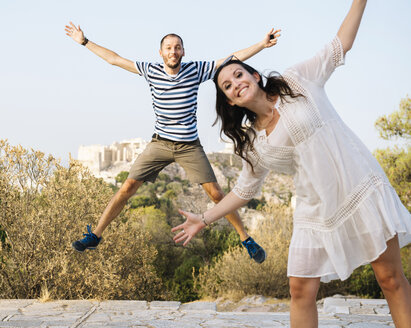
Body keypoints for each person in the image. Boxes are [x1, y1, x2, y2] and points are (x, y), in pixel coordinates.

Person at [171, 1, 411, 327]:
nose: (235, 83)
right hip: (315, 210)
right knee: (299, 289)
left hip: (358, 187)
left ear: (254, 75)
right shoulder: (251, 142)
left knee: (390, 280)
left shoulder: (295, 83)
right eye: (227, 85)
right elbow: (244, 190)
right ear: (229, 100)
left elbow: (340, 46)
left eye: (238, 74)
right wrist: (204, 218)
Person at [64, 22, 281, 262]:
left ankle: (246, 238)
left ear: (183, 52)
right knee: (126, 188)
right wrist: (84, 42)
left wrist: (262, 44)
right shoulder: (151, 70)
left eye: (177, 47)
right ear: (161, 53)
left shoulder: (196, 70)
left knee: (217, 194)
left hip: (189, 146)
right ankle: (95, 235)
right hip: (160, 144)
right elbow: (114, 59)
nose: (173, 51)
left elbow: (230, 60)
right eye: (168, 47)